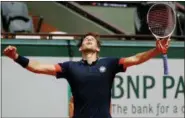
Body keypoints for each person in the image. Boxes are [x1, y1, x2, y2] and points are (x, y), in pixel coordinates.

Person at [3, 32, 170, 118]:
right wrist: (16, 57)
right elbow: (38, 68)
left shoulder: (110, 64)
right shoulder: (70, 67)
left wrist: (156, 50)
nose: (89, 39)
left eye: (92, 39)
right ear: (80, 48)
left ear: (98, 48)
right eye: (85, 39)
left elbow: (136, 59)